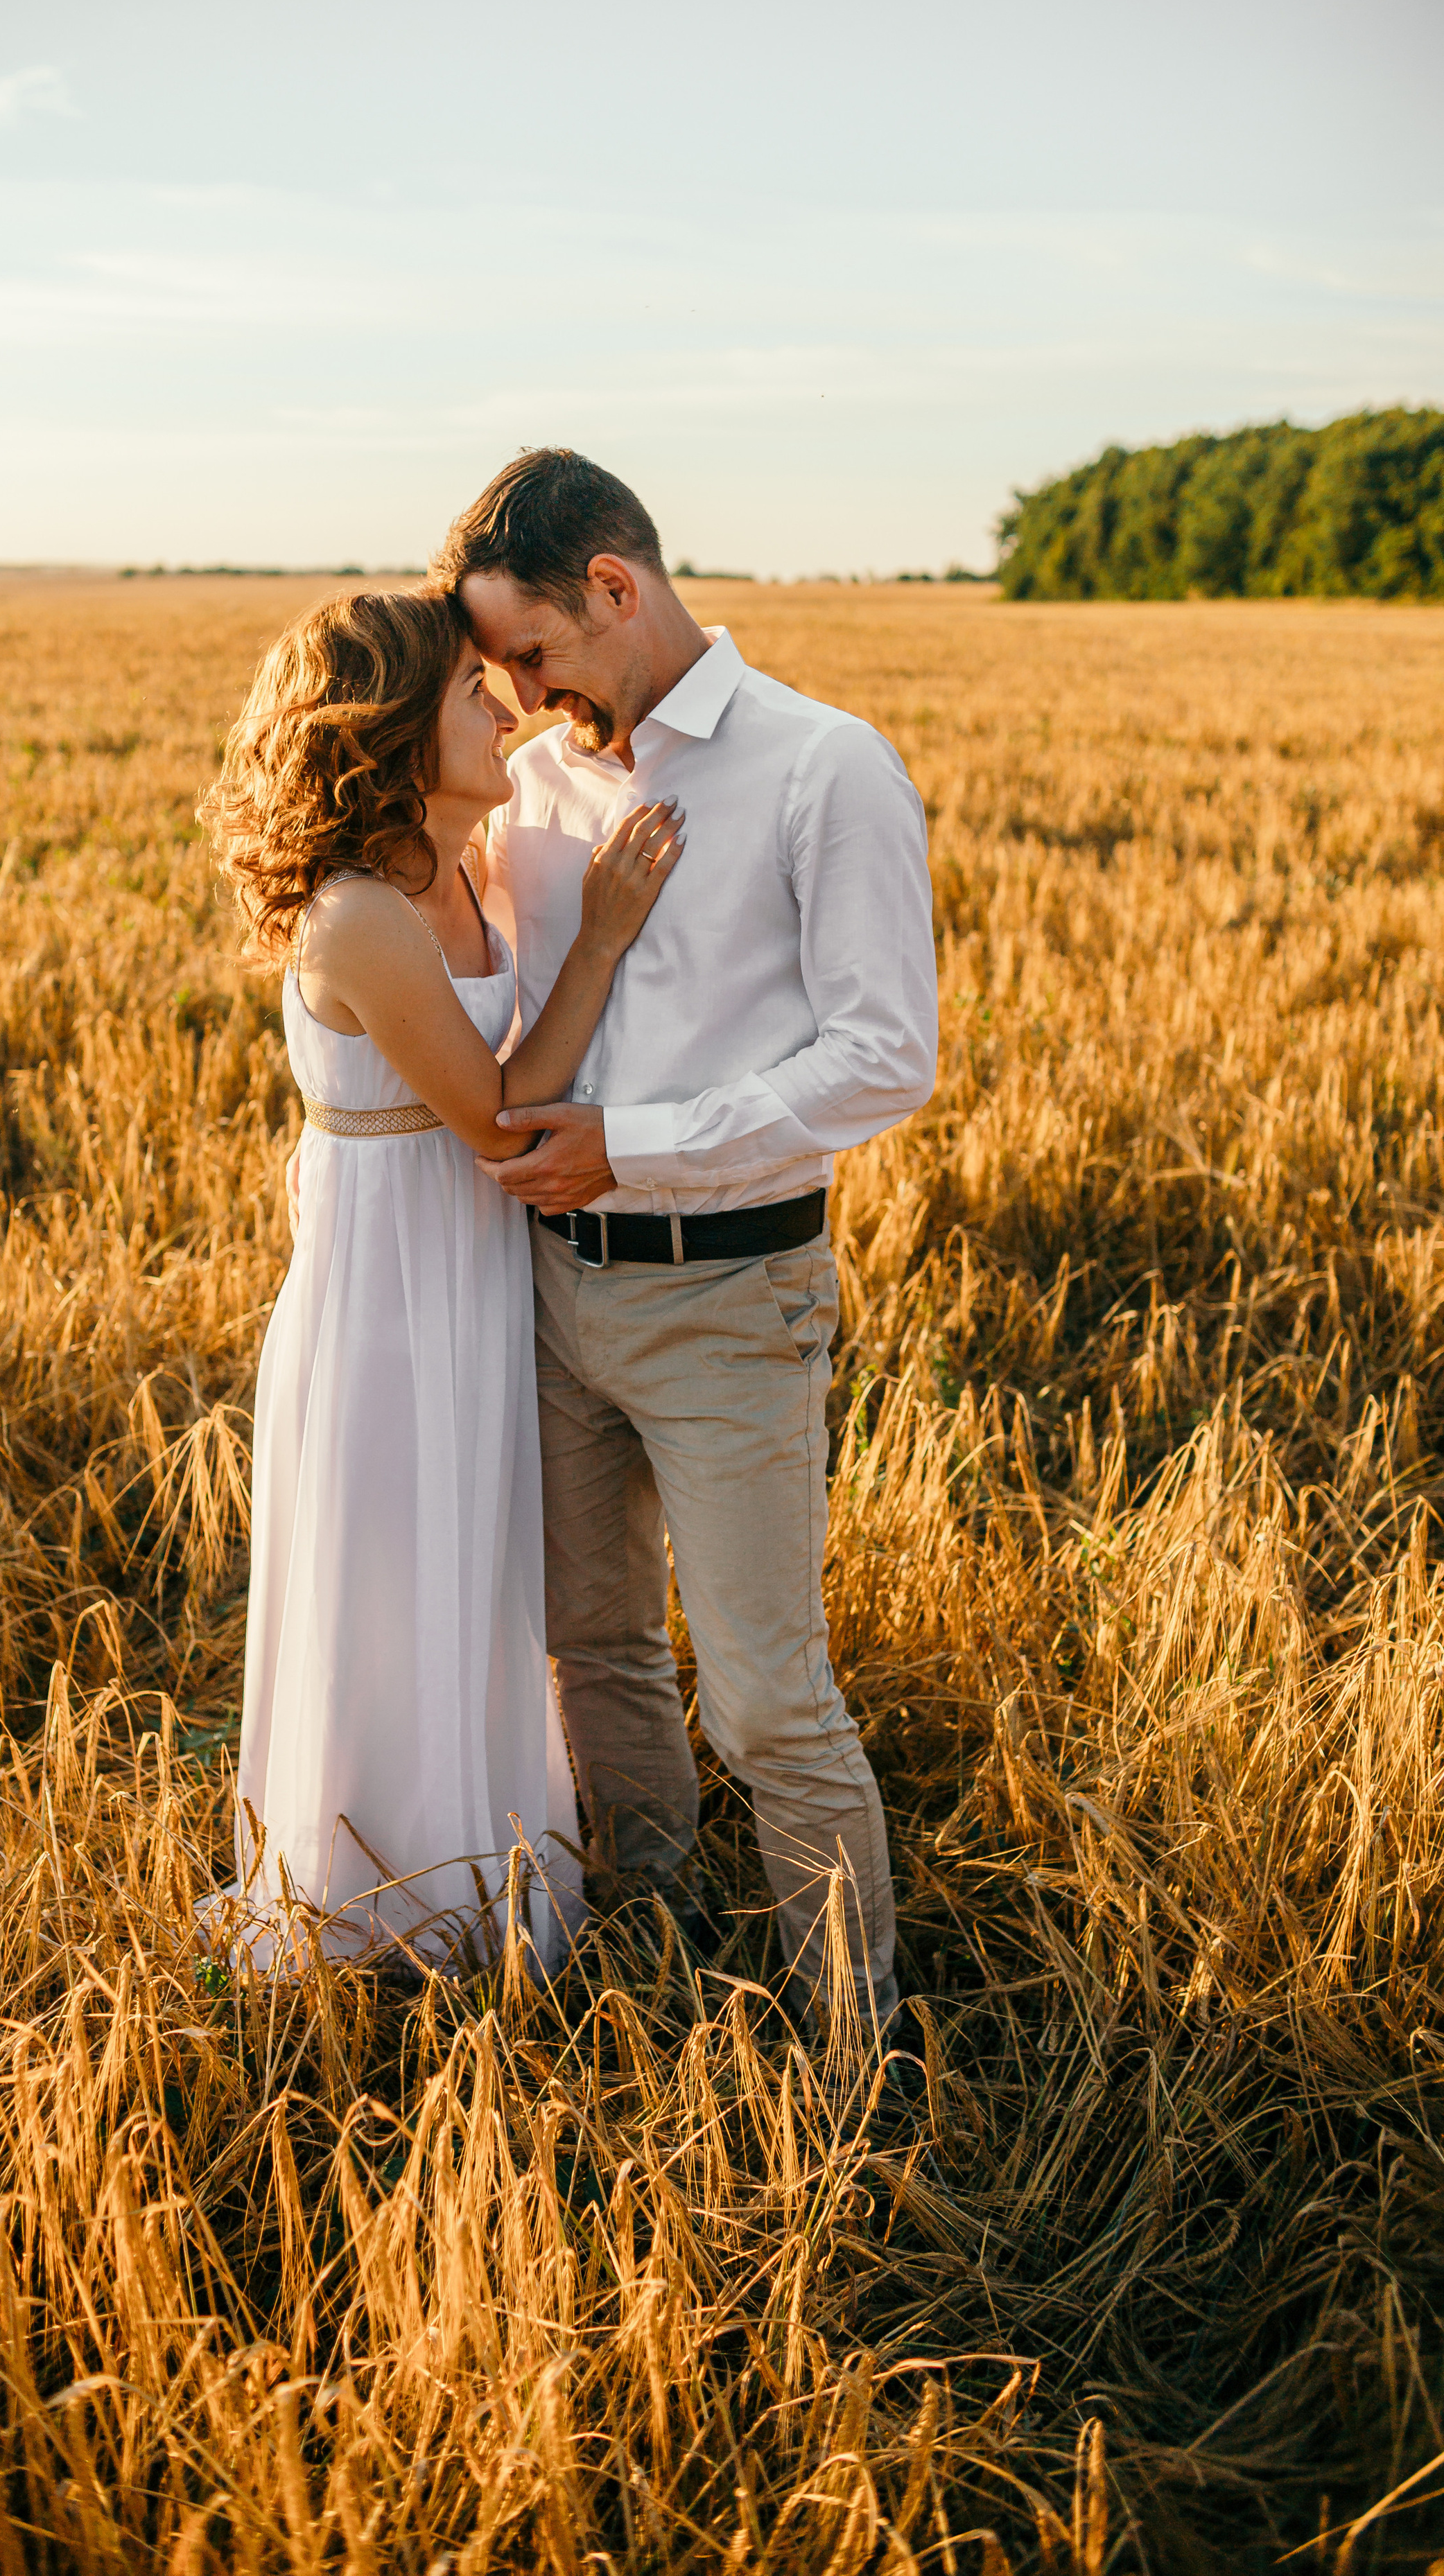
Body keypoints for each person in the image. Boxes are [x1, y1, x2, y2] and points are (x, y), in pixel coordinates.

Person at [428, 450, 938, 2031]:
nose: (515, 694)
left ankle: (848, 2049)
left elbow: (881, 1060)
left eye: (530, 651)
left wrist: (629, 1151)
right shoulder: (541, 783)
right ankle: (650, 1944)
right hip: (550, 1293)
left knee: (771, 1704)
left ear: (612, 588)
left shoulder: (819, 767)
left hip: (731, 1295)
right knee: (595, 1654)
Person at [196, 585, 683, 1975]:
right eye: (477, 692)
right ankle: (382, 1908)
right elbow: (498, 1119)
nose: (510, 708)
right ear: (397, 728)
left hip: (468, 1269)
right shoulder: (356, 916)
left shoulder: (461, 868)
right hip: (389, 1297)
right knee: (392, 1574)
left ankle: (482, 1863)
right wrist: (597, 938)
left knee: (477, 1569)